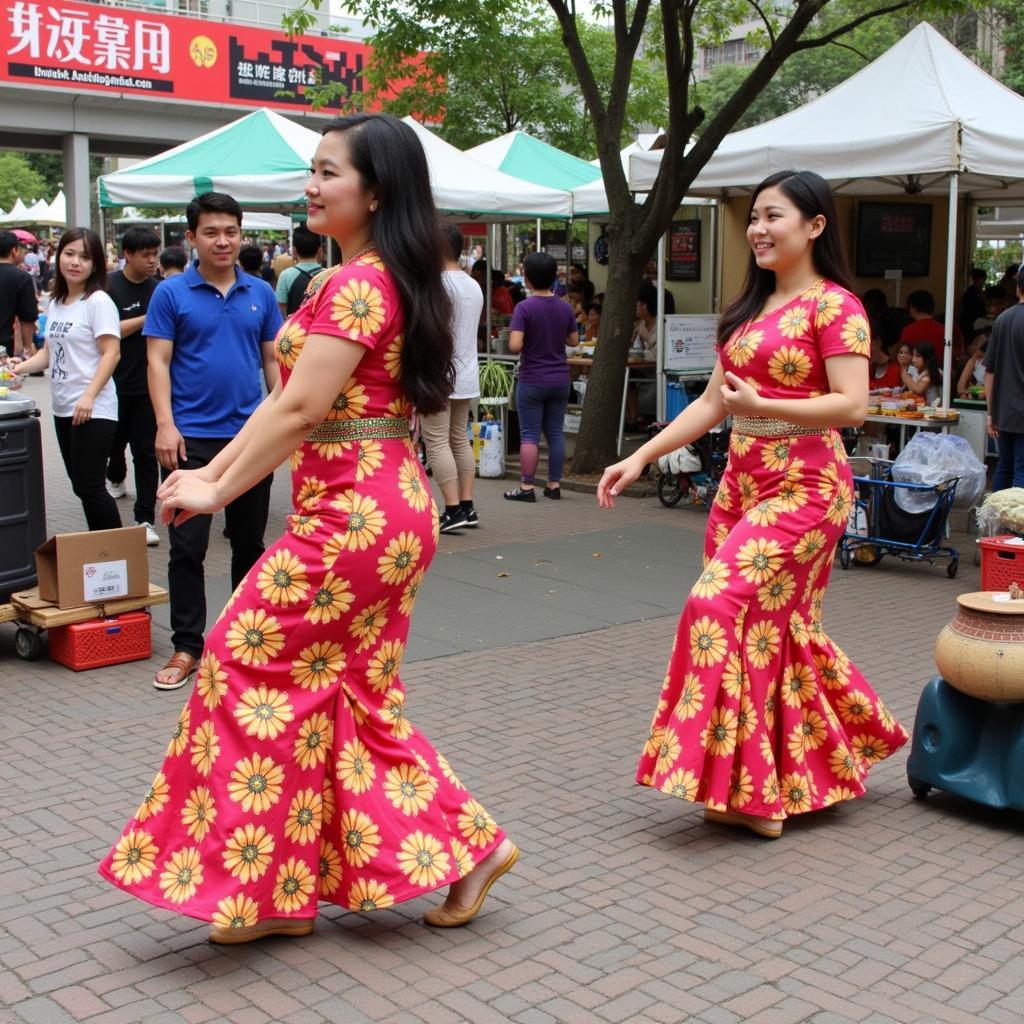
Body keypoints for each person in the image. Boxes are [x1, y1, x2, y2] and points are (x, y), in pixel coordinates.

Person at [99, 112, 517, 943]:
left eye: (329, 172)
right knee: (345, 697)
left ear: (377, 190)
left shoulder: (359, 284)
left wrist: (217, 488)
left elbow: (298, 406)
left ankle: (279, 887)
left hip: (355, 518)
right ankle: (322, 883)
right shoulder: (368, 276)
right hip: (369, 508)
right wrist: (216, 474)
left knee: (238, 659)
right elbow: (285, 407)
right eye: (313, 170)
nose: (311, 185)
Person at [598, 169, 908, 839]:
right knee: (769, 629)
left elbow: (852, 406)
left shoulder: (836, 307)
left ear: (815, 225)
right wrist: (642, 456)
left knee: (716, 606)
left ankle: (749, 790)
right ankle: (768, 782)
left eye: (775, 217)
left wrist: (763, 405)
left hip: (805, 487)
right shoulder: (750, 308)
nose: (759, 230)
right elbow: (713, 403)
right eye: (755, 219)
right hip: (740, 484)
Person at [145, 191, 283, 692]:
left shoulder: (261, 293)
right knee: (186, 547)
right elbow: (157, 361)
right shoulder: (171, 294)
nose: (223, 241)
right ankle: (188, 646)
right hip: (189, 441)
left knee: (249, 543)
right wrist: (165, 423)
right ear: (191, 238)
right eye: (211, 232)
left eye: (231, 231)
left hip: (251, 441)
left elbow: (273, 363)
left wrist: (282, 424)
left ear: (240, 234)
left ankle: (241, 643)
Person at [11, 228, 122, 531]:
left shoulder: (98, 302)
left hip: (93, 408)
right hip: (64, 408)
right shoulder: (58, 302)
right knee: (81, 487)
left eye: (84, 257)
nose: (75, 262)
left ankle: (114, 556)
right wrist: (16, 368)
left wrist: (88, 396)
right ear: (58, 256)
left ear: (96, 264)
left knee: (91, 487)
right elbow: (48, 354)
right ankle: (101, 553)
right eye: (69, 253)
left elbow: (111, 354)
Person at [421, 225, 484, 533]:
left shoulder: (436, 285)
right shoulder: (474, 286)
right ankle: (468, 506)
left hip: (438, 372)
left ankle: (452, 508)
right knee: (459, 438)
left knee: (436, 441)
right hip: (467, 373)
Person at [505, 251, 579, 501]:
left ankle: (526, 488)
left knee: (529, 435)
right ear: (553, 278)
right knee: (555, 433)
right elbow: (574, 340)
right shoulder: (564, 307)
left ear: (527, 279)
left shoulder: (524, 308)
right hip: (560, 379)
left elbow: (515, 345)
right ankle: (554, 485)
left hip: (532, 378)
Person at [105, 228, 162, 547]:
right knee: (115, 444)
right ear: (127, 254)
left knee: (145, 452)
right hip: (111, 386)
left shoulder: (161, 289)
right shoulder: (109, 287)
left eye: (155, 253)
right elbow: (109, 330)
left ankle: (144, 519)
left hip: (147, 387)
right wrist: (147, 318)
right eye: (146, 254)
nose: (153, 260)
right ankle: (115, 473)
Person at [984, 269, 1024, 490]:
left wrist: (991, 413)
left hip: (1004, 412)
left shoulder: (1002, 319)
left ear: (1018, 287)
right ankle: (1018, 525)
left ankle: (998, 524)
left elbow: (990, 371)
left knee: (1004, 468)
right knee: (1021, 472)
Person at [0, 230, 37, 359]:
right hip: (3, 345)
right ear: (14, 251)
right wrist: (28, 346)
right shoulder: (21, 277)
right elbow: (27, 318)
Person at [275, 224, 323, 316]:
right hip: (322, 329)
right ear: (320, 250)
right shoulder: (330, 275)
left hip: (295, 328)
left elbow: (281, 312)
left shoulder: (285, 276)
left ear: (294, 250)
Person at [899, 290, 944, 358]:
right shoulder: (943, 330)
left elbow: (904, 358)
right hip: (940, 368)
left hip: (914, 368)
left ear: (912, 307)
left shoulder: (908, 331)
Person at [957, 327, 990, 397]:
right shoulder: (974, 360)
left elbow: (988, 391)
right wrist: (977, 390)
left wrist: (973, 390)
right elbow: (960, 389)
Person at [958, 267, 988, 339]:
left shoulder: (977, 291)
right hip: (971, 322)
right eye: (983, 279)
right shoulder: (972, 292)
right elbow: (972, 309)